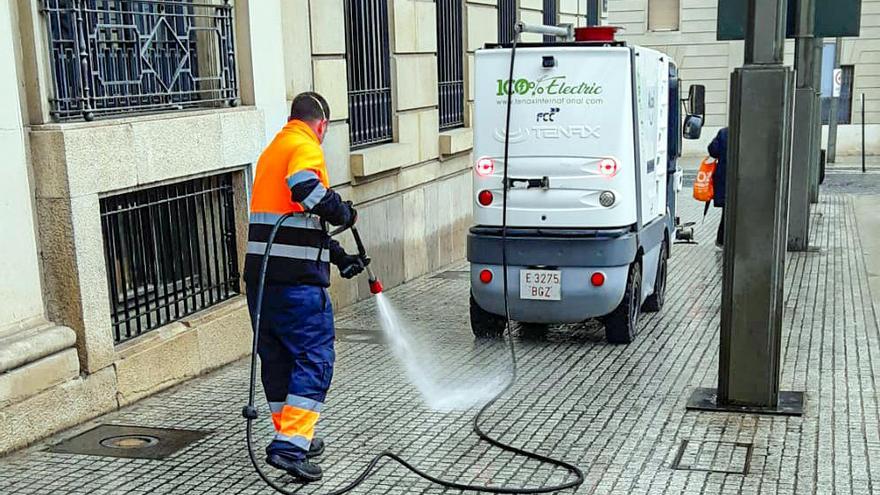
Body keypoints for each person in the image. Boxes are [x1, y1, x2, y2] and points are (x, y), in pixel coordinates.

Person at [244, 92, 365, 482]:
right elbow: (304, 188)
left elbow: (295, 226)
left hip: (262, 282)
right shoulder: (305, 147)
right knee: (314, 357)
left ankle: (291, 431)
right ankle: (291, 445)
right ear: (322, 124)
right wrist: (341, 210)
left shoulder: (272, 151)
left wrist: (338, 254)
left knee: (277, 359)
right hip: (297, 287)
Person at [708, 127, 728, 249]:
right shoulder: (751, 133)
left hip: (724, 178)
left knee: (726, 212)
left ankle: (721, 240)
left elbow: (712, 150)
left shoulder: (724, 132)